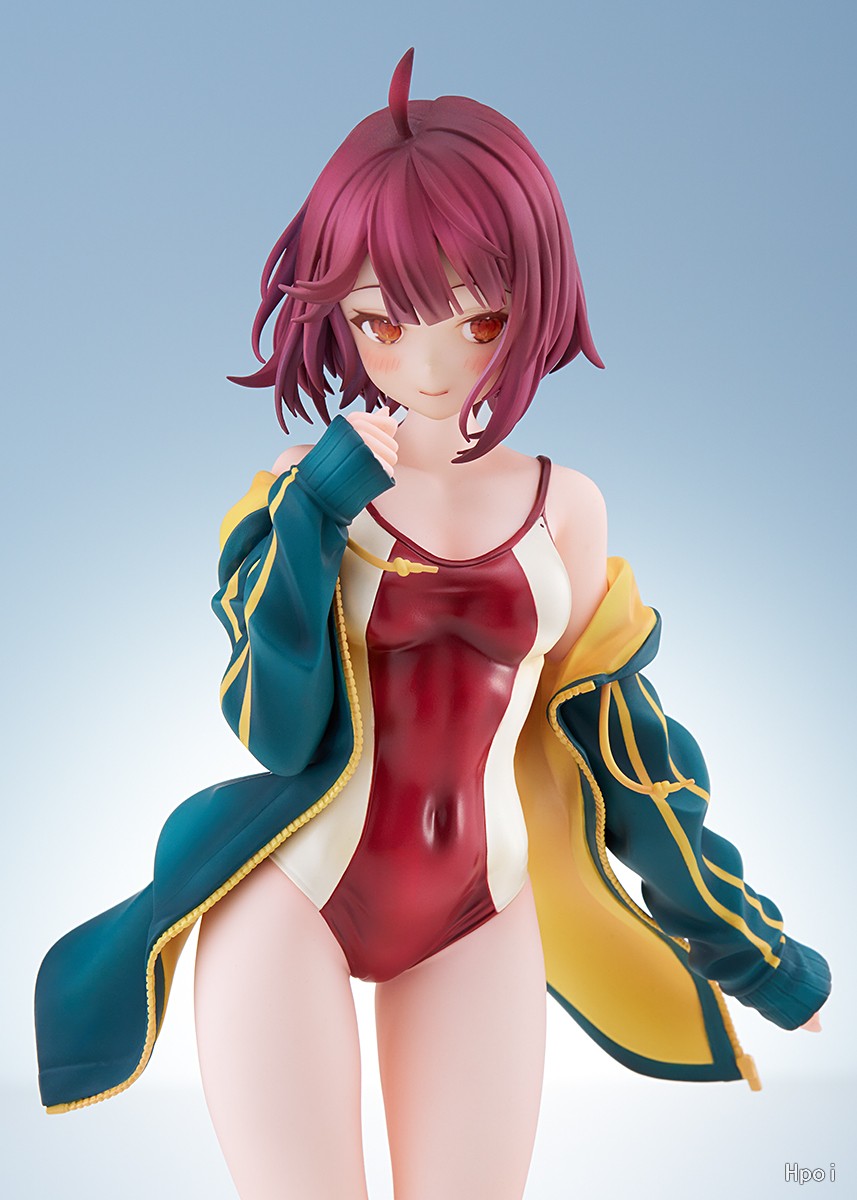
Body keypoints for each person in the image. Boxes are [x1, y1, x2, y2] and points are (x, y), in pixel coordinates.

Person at [35, 48, 830, 1200]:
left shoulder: (566, 510)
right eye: (379, 322)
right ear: (337, 316)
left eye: (478, 317)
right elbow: (272, 728)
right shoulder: (300, 494)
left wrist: (758, 960)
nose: (427, 362)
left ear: (531, 300)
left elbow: (630, 763)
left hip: (477, 906)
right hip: (294, 896)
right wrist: (317, 506)